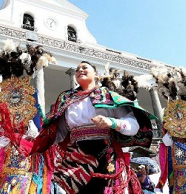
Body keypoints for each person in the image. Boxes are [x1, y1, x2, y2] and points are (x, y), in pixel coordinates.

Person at [29, 61, 155, 194]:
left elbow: (133, 125)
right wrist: (34, 143)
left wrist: (112, 122)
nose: (80, 70)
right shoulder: (66, 100)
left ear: (96, 74)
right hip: (76, 156)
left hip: (105, 155)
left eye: (84, 67)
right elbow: (57, 133)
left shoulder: (109, 96)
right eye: (77, 69)